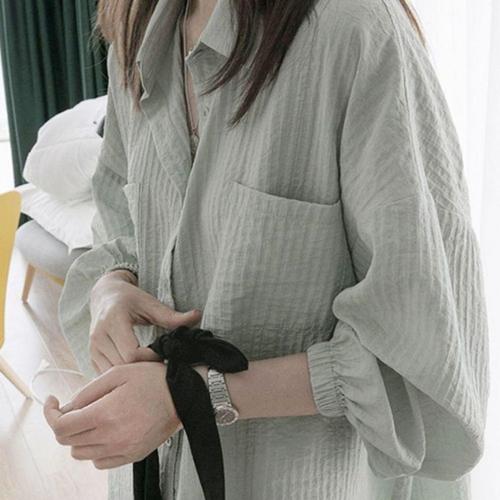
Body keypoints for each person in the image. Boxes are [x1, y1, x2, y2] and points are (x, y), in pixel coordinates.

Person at [44, 0, 489, 499]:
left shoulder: (354, 31)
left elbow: (425, 355)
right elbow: (120, 217)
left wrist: (192, 396)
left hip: (305, 479)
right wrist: (113, 284)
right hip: (160, 470)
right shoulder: (140, 25)